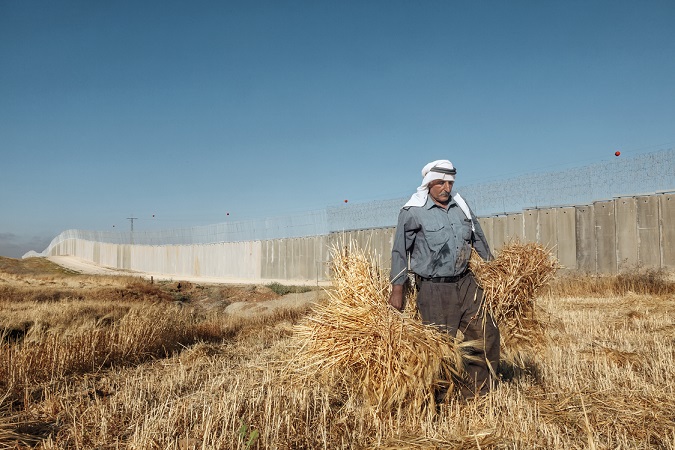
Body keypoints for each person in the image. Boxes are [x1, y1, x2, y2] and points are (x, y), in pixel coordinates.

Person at [388, 159, 500, 401]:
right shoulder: (412, 212)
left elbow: (477, 236)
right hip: (434, 288)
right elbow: (400, 251)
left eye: (450, 183)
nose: (446, 188)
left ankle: (477, 393)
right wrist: (397, 288)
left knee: (486, 334)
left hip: (467, 282)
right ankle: (438, 399)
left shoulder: (461, 206)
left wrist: (493, 269)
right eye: (440, 183)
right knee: (439, 346)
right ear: (429, 184)